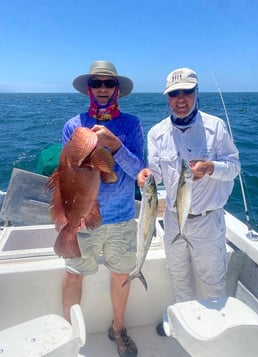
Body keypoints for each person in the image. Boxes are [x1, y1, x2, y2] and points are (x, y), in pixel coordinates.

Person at [137, 67, 240, 336]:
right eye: (173, 94)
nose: (180, 99)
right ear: (167, 98)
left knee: (212, 283)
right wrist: (147, 175)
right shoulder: (157, 133)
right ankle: (185, 325)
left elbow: (234, 166)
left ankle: (212, 332)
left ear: (196, 93)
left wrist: (210, 168)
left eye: (186, 92)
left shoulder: (215, 126)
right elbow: (156, 173)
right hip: (173, 219)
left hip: (208, 222)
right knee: (179, 277)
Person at [60, 60, 144, 356]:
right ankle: (70, 336)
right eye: (97, 83)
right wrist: (69, 215)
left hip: (121, 218)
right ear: (89, 89)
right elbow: (66, 176)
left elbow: (140, 172)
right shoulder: (73, 125)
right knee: (74, 273)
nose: (104, 88)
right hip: (82, 219)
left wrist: (114, 144)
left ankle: (118, 329)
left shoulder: (131, 124)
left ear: (117, 88)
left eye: (109, 83)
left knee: (121, 275)